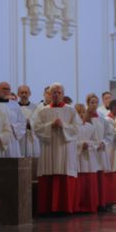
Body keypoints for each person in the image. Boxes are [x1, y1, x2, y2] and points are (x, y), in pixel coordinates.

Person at [33, 82, 81, 213]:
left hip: (65, 148)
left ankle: (65, 208)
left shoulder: (70, 110)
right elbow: (36, 128)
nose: (56, 95)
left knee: (64, 172)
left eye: (59, 92)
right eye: (53, 92)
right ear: (49, 94)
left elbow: (77, 129)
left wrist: (63, 126)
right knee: (49, 173)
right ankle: (47, 208)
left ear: (63, 94)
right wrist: (50, 125)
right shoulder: (43, 111)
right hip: (49, 148)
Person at [17, 84, 40, 158]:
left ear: (30, 94)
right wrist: (23, 124)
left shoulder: (35, 107)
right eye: (22, 92)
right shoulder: (14, 107)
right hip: (19, 138)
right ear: (18, 94)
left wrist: (30, 123)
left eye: (26, 92)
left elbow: (38, 122)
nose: (24, 94)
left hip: (31, 137)